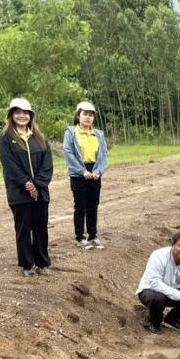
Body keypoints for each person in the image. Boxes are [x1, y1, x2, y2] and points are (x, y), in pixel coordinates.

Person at [0, 97, 54, 277]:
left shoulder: (40, 137)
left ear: (30, 115)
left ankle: (42, 262)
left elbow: (47, 164)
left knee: (41, 227)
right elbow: (9, 165)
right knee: (23, 228)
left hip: (40, 191)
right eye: (17, 112)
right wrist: (26, 183)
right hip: (19, 192)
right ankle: (27, 265)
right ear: (11, 115)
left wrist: (37, 183)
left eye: (25, 112)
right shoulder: (6, 139)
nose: (21, 116)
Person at [62, 100, 109, 250]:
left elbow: (103, 155)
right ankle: (80, 237)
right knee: (80, 205)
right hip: (78, 173)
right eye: (85, 114)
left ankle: (93, 236)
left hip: (94, 171)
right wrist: (82, 172)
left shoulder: (99, 134)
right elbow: (68, 153)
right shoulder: (71, 132)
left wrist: (98, 171)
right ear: (78, 115)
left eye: (91, 115)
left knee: (93, 206)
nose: (88, 117)